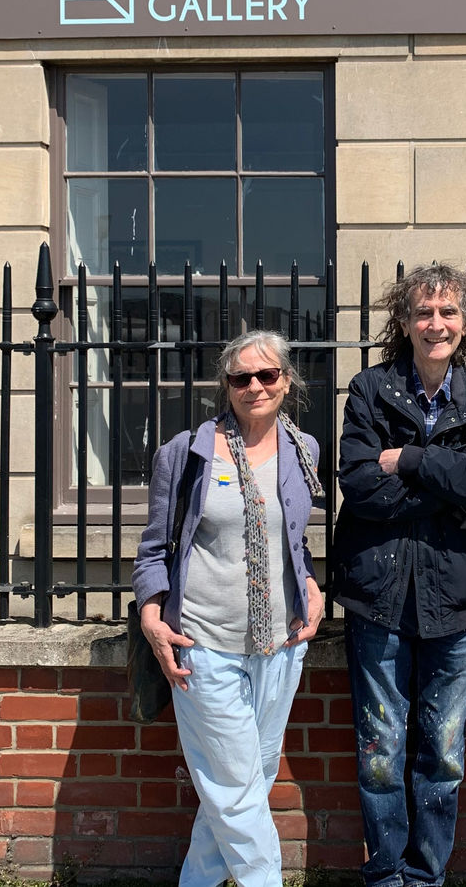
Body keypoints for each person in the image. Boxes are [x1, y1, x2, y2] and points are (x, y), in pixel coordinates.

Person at [333, 263, 466, 887]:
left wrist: (411, 460)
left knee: (441, 755)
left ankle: (426, 875)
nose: (435, 324)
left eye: (448, 313)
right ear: (404, 321)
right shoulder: (368, 390)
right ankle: (387, 876)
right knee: (380, 755)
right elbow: (359, 486)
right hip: (378, 601)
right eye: (423, 312)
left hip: (453, 602)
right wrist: (451, 490)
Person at [132, 330, 325, 887]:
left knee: (246, 782)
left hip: (279, 647)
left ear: (286, 381)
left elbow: (293, 542)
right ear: (226, 385)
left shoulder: (302, 452)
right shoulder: (186, 453)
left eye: (267, 375)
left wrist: (310, 582)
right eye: (241, 377)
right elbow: (154, 549)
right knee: (236, 793)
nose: (255, 386)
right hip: (203, 646)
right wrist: (152, 612)